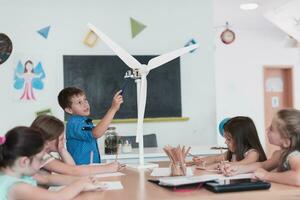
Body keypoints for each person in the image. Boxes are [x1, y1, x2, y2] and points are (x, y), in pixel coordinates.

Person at [0, 126, 104, 200]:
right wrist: (80, 184)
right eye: (40, 159)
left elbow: (49, 178)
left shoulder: (19, 175)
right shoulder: (16, 187)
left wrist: (84, 180)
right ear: (24, 161)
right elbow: (57, 197)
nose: (41, 163)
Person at [221, 109, 300, 186]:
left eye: (271, 129)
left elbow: (298, 178)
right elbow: (263, 165)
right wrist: (237, 169)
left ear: (286, 141)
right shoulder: (280, 154)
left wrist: (266, 175)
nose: (267, 129)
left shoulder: (294, 156)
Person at [31, 115, 123, 176]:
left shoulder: (43, 155)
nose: (63, 141)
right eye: (61, 138)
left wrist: (62, 149)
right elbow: (74, 171)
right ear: (47, 141)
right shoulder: (39, 156)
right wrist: (107, 168)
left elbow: (71, 167)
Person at [58, 87, 123, 165]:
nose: (85, 104)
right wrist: (113, 109)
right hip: (81, 171)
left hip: (90, 168)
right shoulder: (74, 123)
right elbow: (96, 133)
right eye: (79, 102)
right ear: (69, 110)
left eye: (85, 100)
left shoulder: (85, 120)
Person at [193, 116, 267, 170]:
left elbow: (241, 164)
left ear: (241, 139)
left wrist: (217, 165)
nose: (225, 142)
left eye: (228, 139)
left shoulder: (253, 154)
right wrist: (202, 160)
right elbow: (215, 158)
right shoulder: (233, 153)